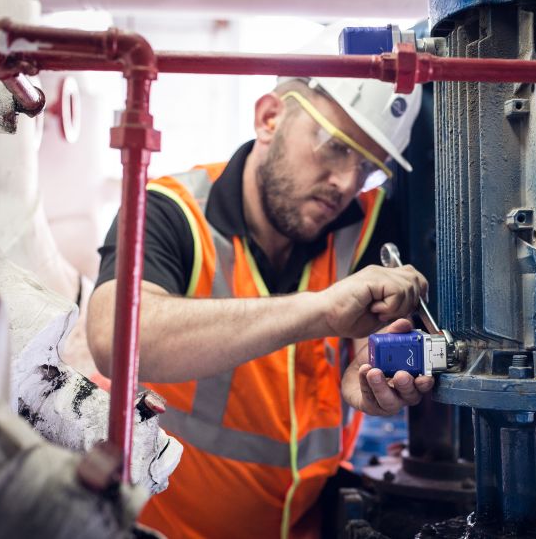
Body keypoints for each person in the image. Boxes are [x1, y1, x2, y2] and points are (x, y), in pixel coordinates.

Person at [86, 73, 430, 539]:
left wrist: (373, 371)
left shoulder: (366, 225)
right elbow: (116, 337)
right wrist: (321, 311)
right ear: (270, 118)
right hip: (155, 529)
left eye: (369, 167)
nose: (347, 183)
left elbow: (381, 340)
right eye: (336, 145)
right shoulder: (169, 211)